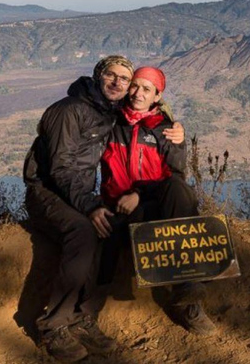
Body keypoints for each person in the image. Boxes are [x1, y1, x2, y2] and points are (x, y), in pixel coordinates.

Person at [22, 56, 183, 363]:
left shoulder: (107, 111)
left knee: (112, 230)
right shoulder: (68, 110)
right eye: (112, 75)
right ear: (98, 76)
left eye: (125, 79)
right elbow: (60, 170)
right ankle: (54, 326)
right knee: (84, 231)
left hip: (77, 194)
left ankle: (83, 318)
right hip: (47, 193)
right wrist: (91, 206)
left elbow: (146, 116)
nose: (118, 83)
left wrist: (177, 130)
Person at [98, 66, 216, 335]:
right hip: (118, 210)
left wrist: (139, 194)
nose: (138, 93)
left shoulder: (165, 130)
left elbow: (175, 177)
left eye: (146, 89)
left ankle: (189, 296)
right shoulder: (109, 123)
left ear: (157, 96)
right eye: (135, 86)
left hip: (152, 206)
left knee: (177, 189)